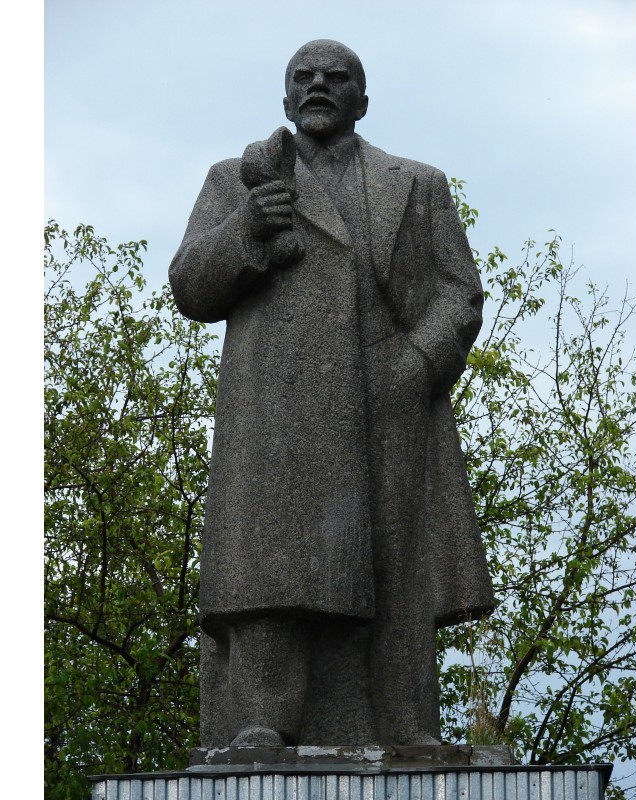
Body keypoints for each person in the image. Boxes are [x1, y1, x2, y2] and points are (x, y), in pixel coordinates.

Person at [169, 39, 493, 748]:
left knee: (396, 569)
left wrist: (417, 361)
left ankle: (405, 727)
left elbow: (459, 292)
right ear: (286, 98)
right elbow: (190, 285)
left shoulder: (418, 184)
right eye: (304, 77)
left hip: (390, 402)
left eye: (336, 77)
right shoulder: (237, 181)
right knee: (271, 568)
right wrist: (247, 229)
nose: (319, 85)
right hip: (276, 410)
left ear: (362, 101)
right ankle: (262, 721)